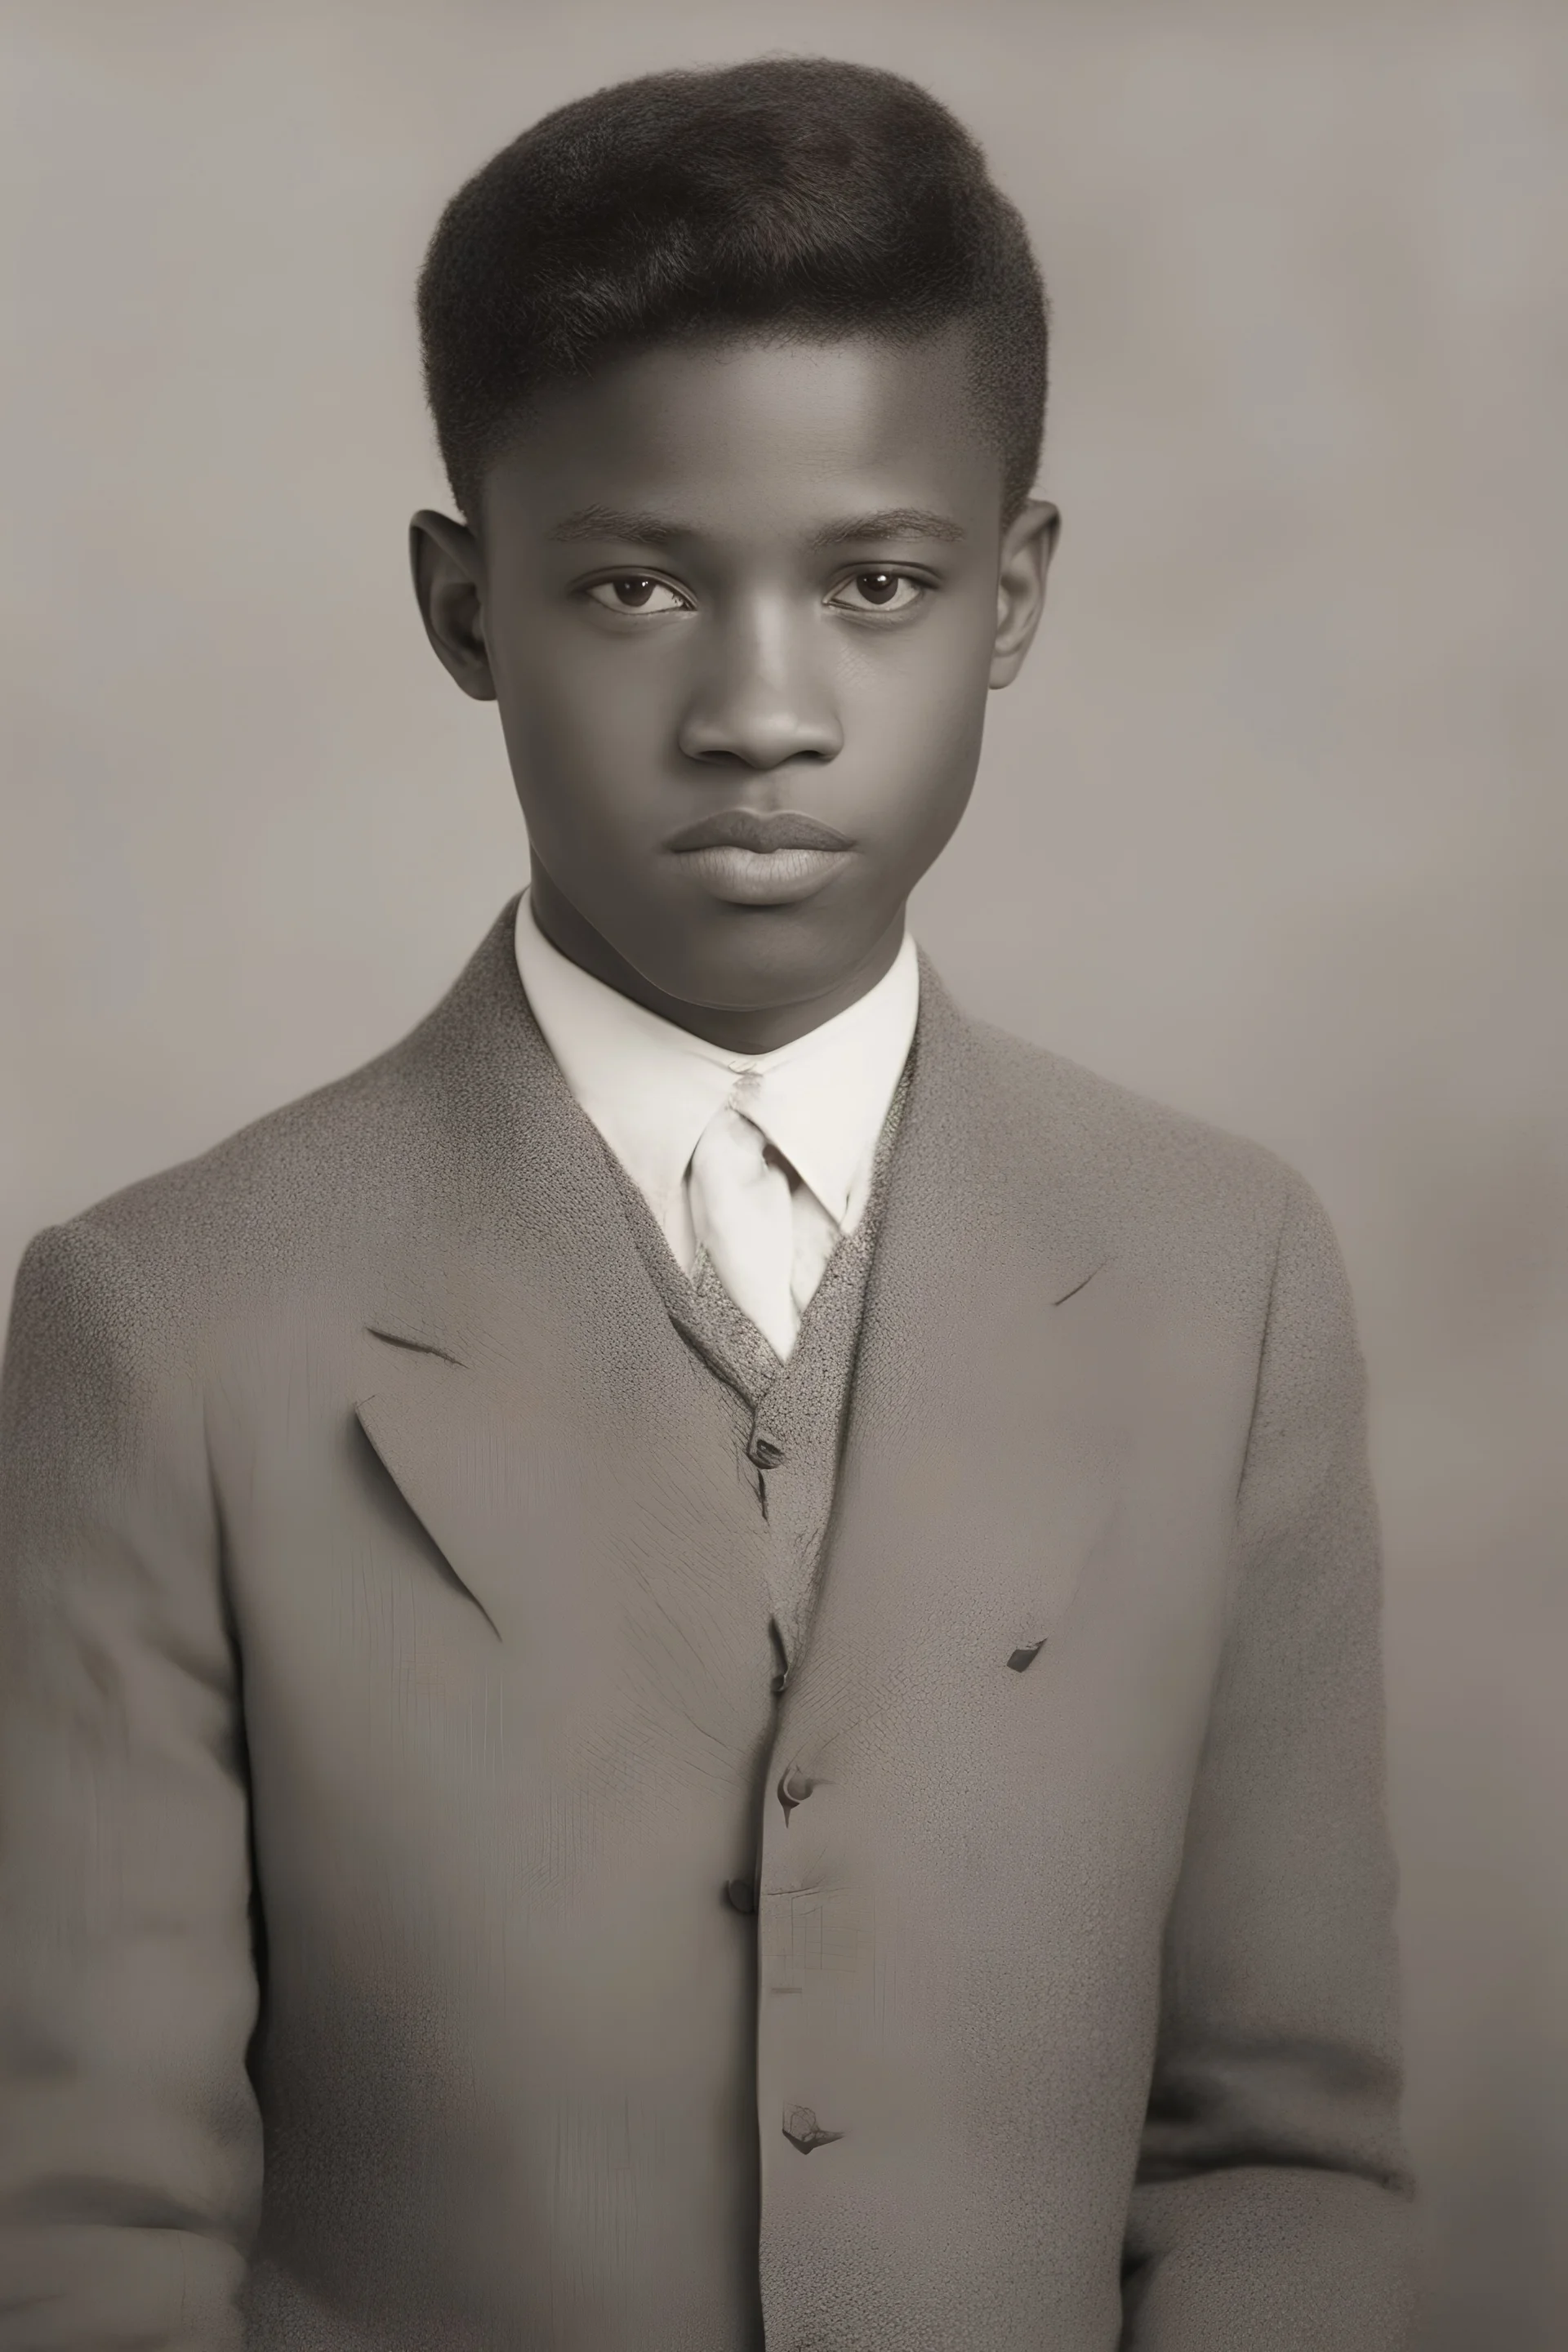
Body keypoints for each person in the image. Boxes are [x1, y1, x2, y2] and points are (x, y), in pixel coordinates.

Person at [0, 56, 1415, 2352]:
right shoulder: (165, 1328)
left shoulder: (1219, 1278)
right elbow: (84, 2237)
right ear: (469, 611)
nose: (764, 708)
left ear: (1014, 593)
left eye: (875, 582)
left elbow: (1278, 2166)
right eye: (640, 583)